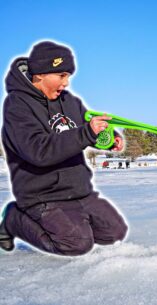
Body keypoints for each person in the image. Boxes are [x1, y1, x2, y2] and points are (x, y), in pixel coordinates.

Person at [0, 41, 128, 255]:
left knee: (114, 233)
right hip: (42, 195)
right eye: (61, 76)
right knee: (76, 243)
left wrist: (107, 138)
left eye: (68, 76)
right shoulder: (17, 105)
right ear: (41, 74)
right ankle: (14, 219)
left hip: (79, 191)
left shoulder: (70, 101)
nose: (66, 83)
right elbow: (37, 151)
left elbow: (85, 130)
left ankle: (71, 221)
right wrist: (87, 133)